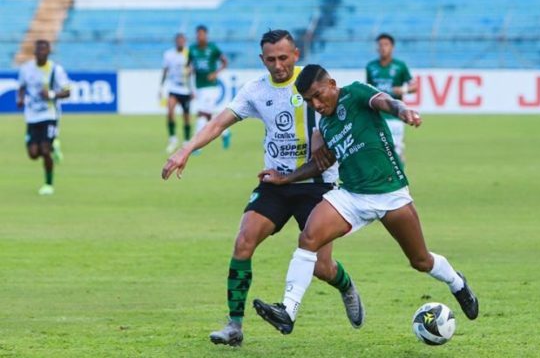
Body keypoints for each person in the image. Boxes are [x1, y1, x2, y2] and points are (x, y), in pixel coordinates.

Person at [161, 30, 364, 347]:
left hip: (316, 186)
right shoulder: (255, 90)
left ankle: (346, 285)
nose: (278, 65)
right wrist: (185, 150)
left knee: (323, 268)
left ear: (295, 55)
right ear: (262, 59)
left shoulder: (313, 83)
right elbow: (217, 123)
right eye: (271, 59)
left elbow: (344, 115)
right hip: (275, 182)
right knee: (243, 242)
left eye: (284, 58)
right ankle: (234, 326)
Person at [252, 64, 478, 336]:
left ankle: (457, 283)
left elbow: (384, 100)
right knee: (308, 238)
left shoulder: (355, 93)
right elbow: (319, 164)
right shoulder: (325, 125)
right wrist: (285, 178)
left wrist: (402, 110)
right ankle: (288, 311)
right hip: (351, 196)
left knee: (420, 261)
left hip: (390, 195)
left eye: (318, 95)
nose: (316, 104)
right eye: (309, 100)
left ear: (332, 84)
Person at [16, 40, 71, 195]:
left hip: (49, 114)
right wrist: (19, 99)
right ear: (34, 53)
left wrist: (52, 94)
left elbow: (67, 91)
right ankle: (54, 146)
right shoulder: (26, 69)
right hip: (32, 116)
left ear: (48, 53)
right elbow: (21, 86)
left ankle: (48, 185)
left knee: (44, 150)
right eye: (38, 51)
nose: (41, 53)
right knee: (33, 154)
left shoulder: (55, 70)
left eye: (44, 51)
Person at [366, 33, 418, 164]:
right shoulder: (371, 67)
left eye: (386, 44)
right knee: (375, 151)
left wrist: (403, 90)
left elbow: (415, 86)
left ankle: (401, 182)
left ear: (392, 47)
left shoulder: (400, 66)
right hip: (376, 116)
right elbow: (368, 90)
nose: (383, 48)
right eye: (380, 45)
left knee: (396, 152)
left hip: (394, 117)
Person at [188, 25, 231, 150]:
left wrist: (216, 73)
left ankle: (196, 146)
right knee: (208, 115)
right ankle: (226, 133)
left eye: (202, 34)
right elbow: (189, 66)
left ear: (206, 35)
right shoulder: (192, 49)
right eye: (198, 34)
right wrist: (191, 86)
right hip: (199, 86)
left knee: (202, 114)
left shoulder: (213, 48)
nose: (200, 36)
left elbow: (225, 61)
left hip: (211, 87)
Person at [161, 33, 193, 154]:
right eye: (178, 40)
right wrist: (161, 87)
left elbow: (193, 72)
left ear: (184, 41)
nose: (180, 42)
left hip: (185, 90)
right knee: (170, 111)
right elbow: (165, 71)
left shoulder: (189, 53)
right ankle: (172, 139)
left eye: (182, 40)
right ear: (175, 41)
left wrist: (192, 89)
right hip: (174, 89)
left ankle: (186, 141)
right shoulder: (168, 54)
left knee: (186, 117)